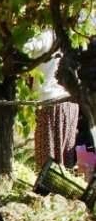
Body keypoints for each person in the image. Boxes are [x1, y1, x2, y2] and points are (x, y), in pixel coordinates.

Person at [25, 30, 79, 169]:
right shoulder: (69, 37)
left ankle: (47, 189)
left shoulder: (46, 36)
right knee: (64, 158)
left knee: (47, 160)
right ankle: (60, 188)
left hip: (51, 104)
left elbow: (24, 48)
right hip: (70, 103)